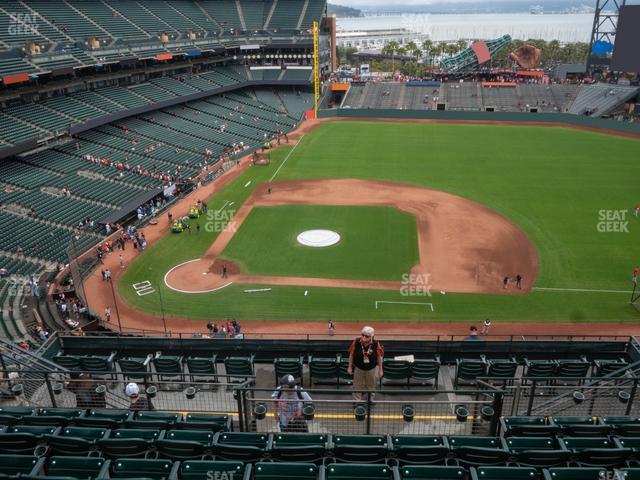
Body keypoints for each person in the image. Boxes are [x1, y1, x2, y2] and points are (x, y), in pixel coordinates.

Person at [347, 326, 383, 403]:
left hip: (372, 369)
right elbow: (351, 354)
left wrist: (380, 370)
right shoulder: (356, 342)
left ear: (371, 336)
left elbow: (379, 357)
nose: (364, 337)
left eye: (366, 336)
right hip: (359, 368)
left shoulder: (376, 343)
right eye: (362, 335)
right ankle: (357, 401)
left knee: (371, 386)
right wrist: (349, 367)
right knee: (357, 386)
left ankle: (370, 400)